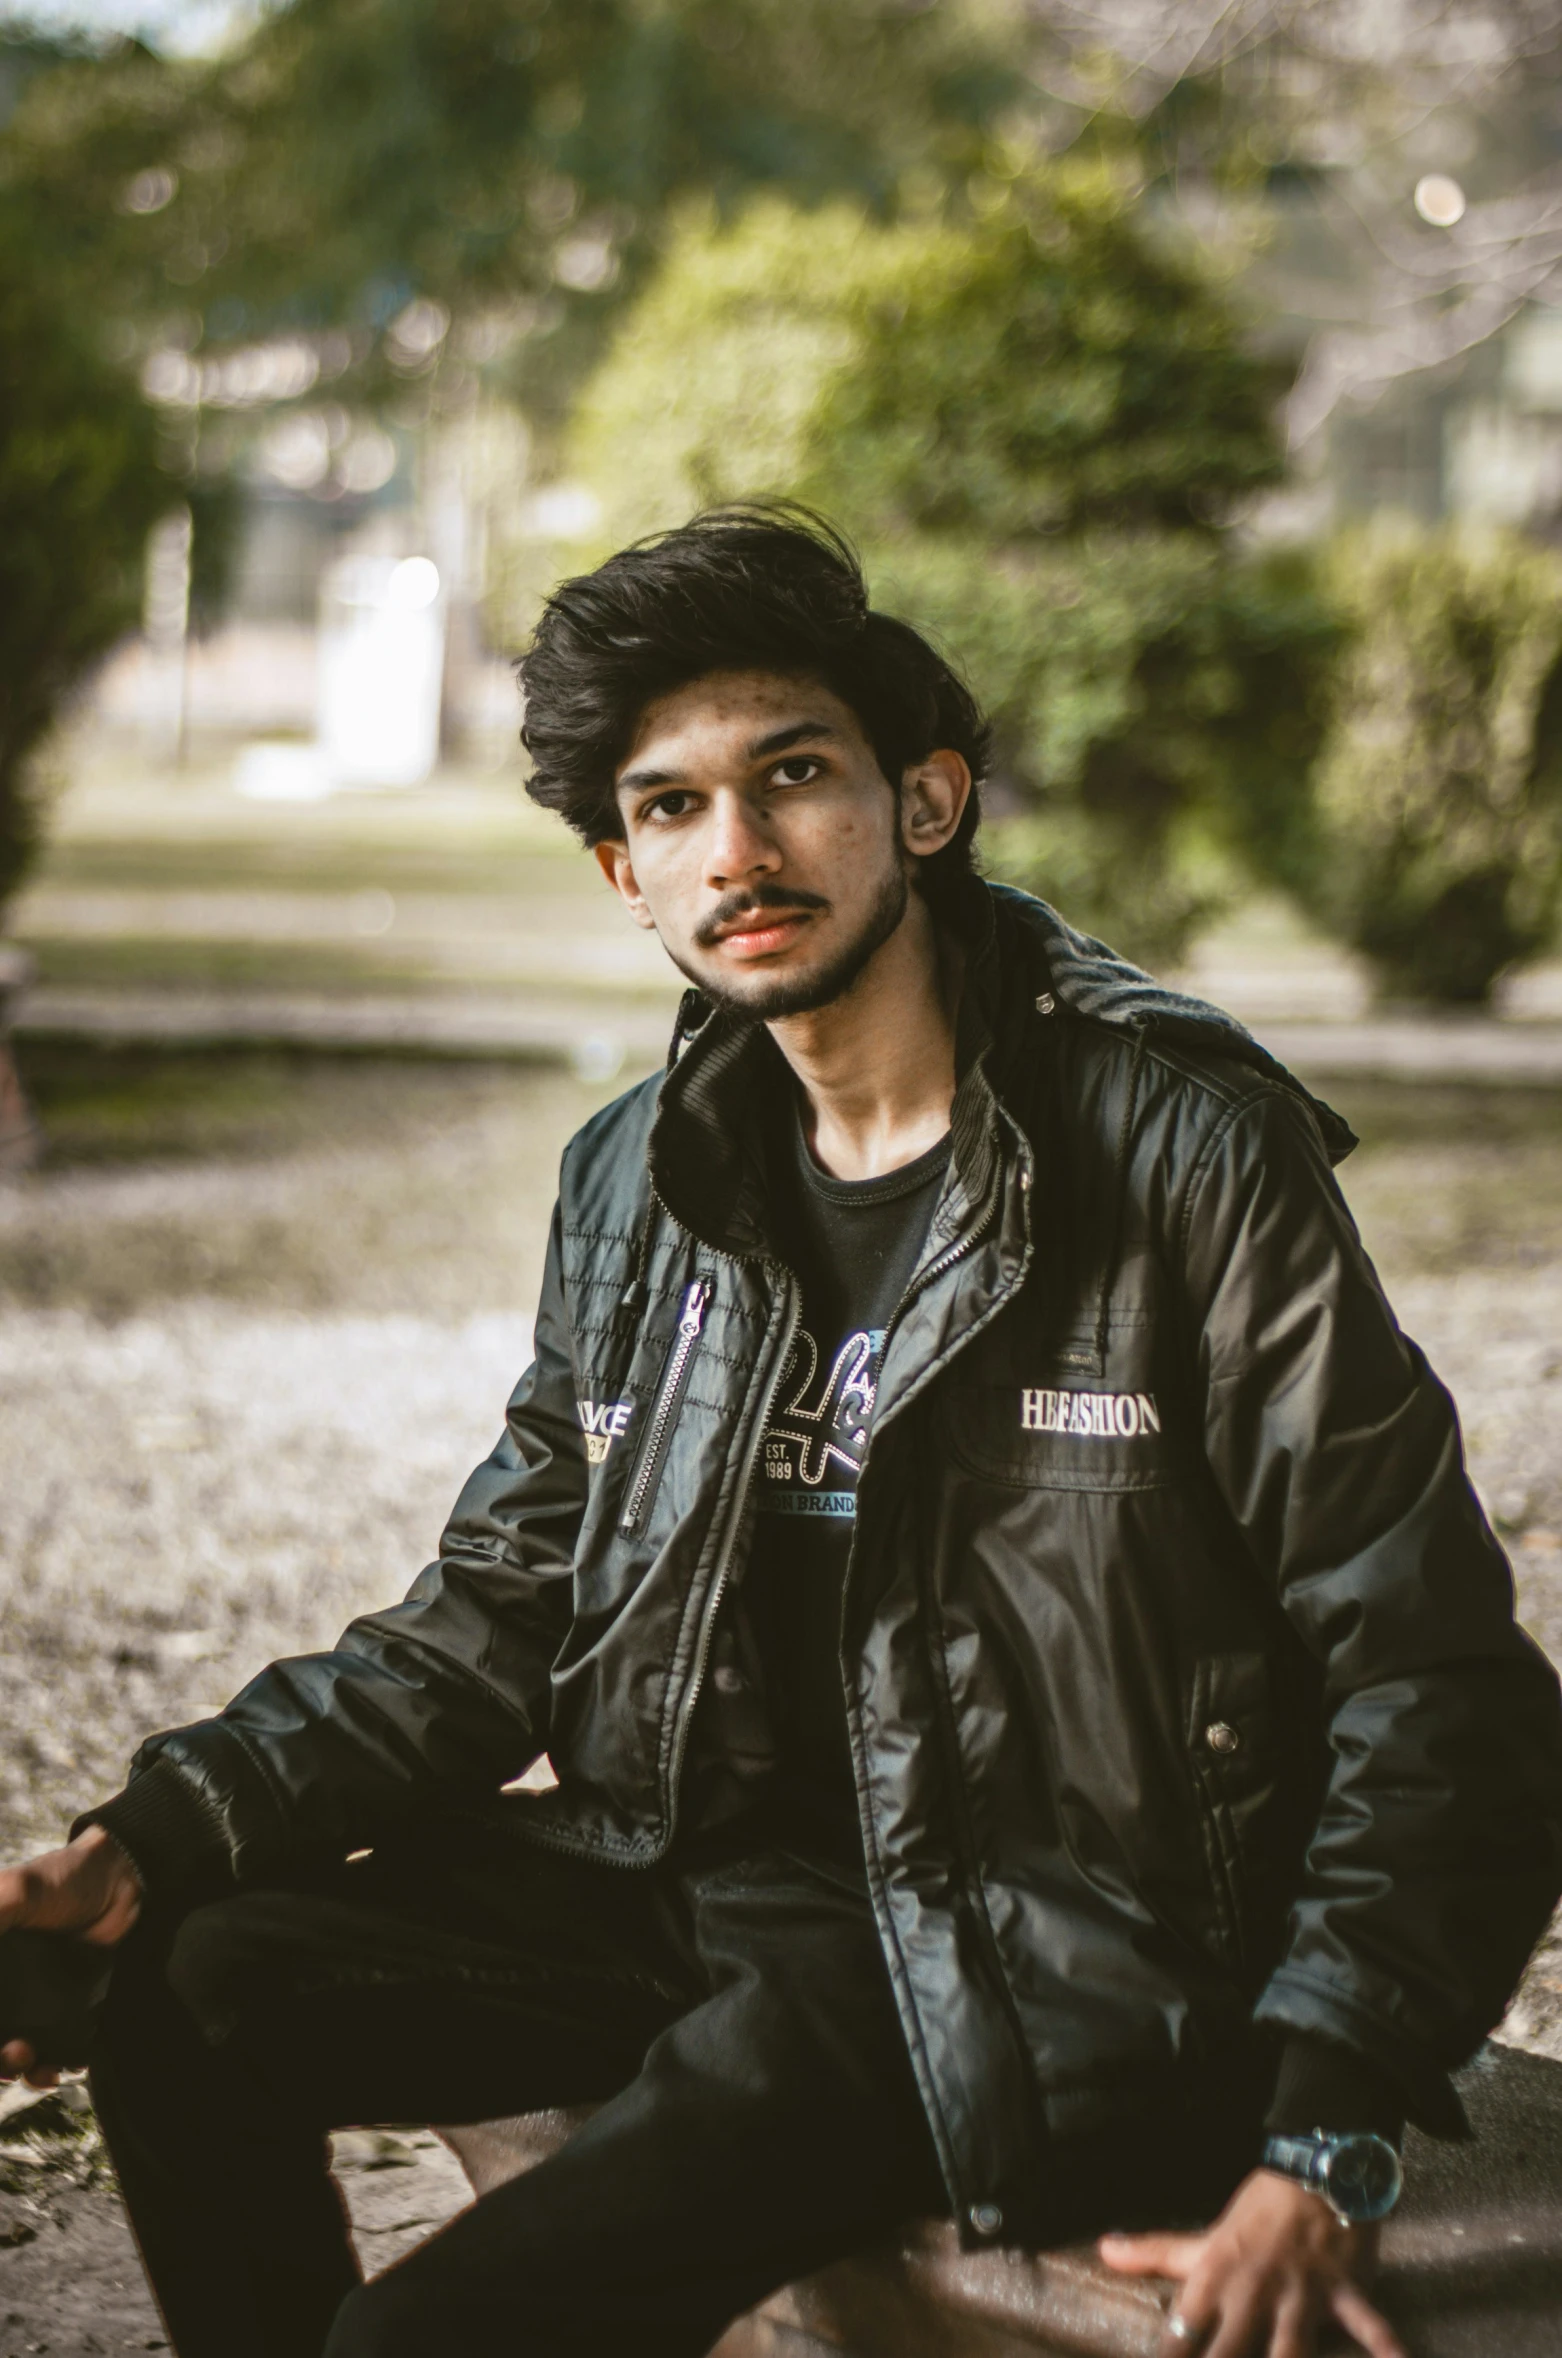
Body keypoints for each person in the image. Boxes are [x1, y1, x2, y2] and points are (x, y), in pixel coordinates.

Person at [2, 507, 1559, 2358]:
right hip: (686, 1878)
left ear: (924, 801)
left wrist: (1321, 2132)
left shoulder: (1183, 1159)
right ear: (620, 875)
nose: (734, 849)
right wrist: (165, 1824)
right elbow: (505, 1603)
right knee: (194, 1980)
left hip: (1013, 1947)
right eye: (667, 808)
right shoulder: (642, 1176)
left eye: (791, 775)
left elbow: (1438, 1675)